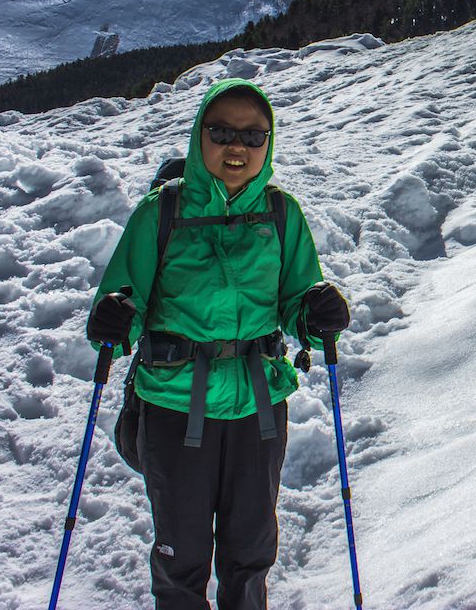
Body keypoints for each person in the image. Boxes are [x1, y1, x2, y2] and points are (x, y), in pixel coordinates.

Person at [85, 78, 349, 610]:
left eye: (253, 136)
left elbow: (296, 298)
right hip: (174, 404)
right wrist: (114, 319)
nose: (237, 147)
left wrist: (316, 311)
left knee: (249, 549)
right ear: (198, 136)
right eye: (222, 131)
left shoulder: (281, 214)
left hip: (258, 406)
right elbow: (124, 297)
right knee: (180, 553)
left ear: (268, 144)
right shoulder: (163, 212)